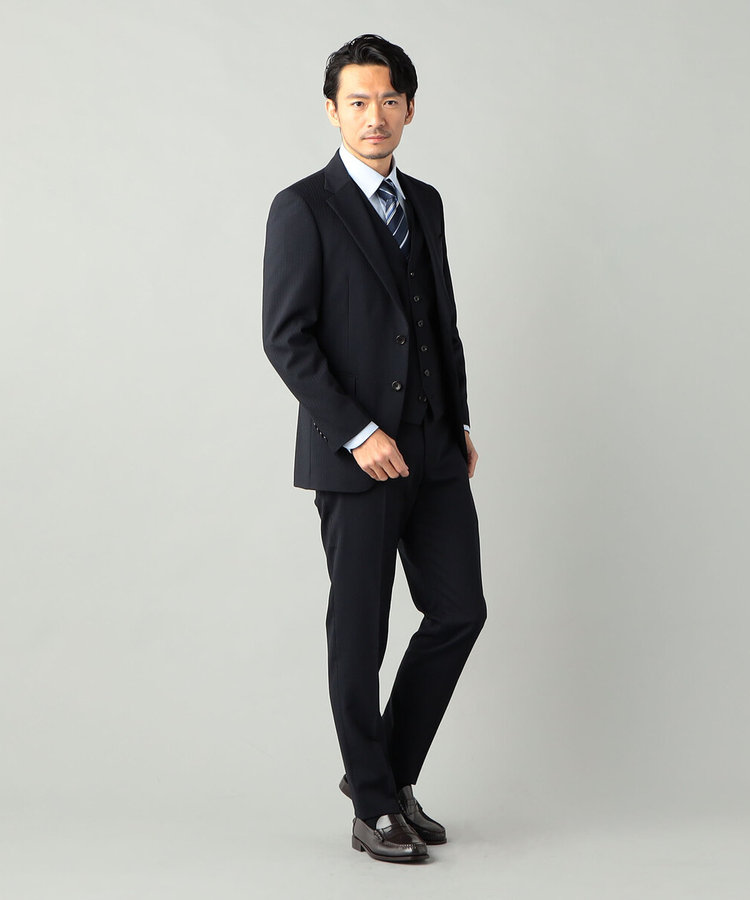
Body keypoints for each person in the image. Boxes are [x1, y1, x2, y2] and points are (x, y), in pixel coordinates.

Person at [262, 34, 487, 864]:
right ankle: (373, 804)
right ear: (332, 111)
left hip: (434, 447)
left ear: (410, 108)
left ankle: (382, 779)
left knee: (459, 611)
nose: (374, 116)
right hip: (356, 456)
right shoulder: (302, 207)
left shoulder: (424, 201)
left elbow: (439, 320)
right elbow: (286, 338)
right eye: (357, 101)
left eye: (389, 100)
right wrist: (359, 432)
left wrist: (456, 421)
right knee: (360, 630)